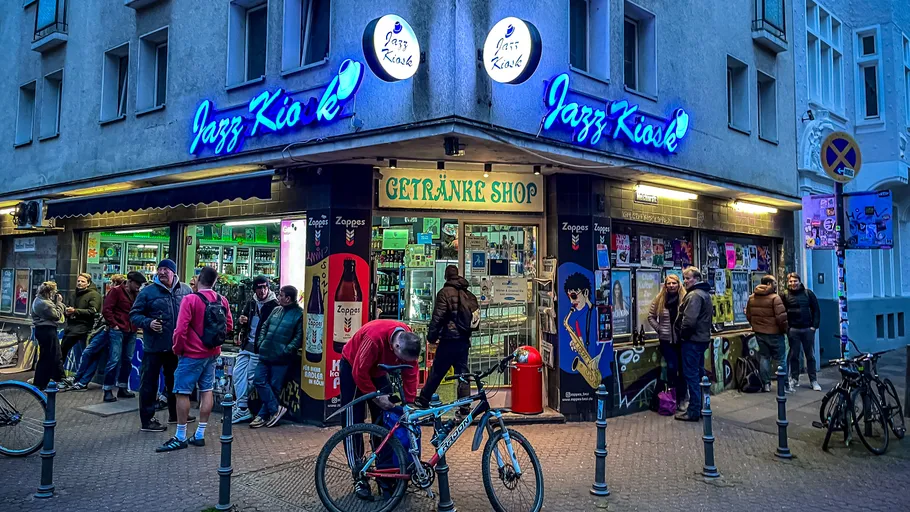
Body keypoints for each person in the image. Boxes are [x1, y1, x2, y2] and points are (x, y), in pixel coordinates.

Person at [339, 319, 421, 499]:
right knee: (354, 422)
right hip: (353, 367)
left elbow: (410, 371)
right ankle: (359, 474)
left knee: (387, 420)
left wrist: (409, 403)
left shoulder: (408, 340)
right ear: (396, 345)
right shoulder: (374, 338)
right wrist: (377, 398)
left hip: (379, 370)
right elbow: (359, 372)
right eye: (399, 358)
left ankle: (384, 471)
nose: (400, 361)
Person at [157, 266, 233, 453]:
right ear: (215, 281)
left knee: (182, 392)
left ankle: (181, 435)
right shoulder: (222, 300)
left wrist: (178, 348)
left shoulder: (190, 299)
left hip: (191, 354)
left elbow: (180, 329)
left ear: (199, 279)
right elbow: (229, 326)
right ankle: (200, 433)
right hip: (212, 353)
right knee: (206, 390)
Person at [130, 259, 193, 433]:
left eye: (166, 269)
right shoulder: (147, 292)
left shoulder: (185, 290)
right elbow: (134, 315)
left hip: (175, 346)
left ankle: (176, 414)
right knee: (149, 384)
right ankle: (147, 420)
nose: (162, 272)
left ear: (174, 272)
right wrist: (148, 323)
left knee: (175, 382)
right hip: (154, 347)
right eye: (160, 269)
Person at [71, 272, 146, 397]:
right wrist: (114, 325)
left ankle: (122, 387)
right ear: (130, 281)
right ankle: (108, 389)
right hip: (118, 330)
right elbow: (107, 309)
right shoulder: (116, 291)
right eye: (137, 284)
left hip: (131, 330)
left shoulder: (137, 294)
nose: (139, 287)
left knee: (127, 360)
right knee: (114, 359)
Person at [415, 265, 477, 416]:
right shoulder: (468, 293)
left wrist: (431, 337)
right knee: (462, 373)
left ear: (446, 276)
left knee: (438, 370)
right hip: (463, 340)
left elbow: (438, 318)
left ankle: (423, 400)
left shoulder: (444, 293)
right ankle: (464, 406)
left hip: (449, 340)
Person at [251, 285, 303, 429]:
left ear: (288, 298)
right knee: (258, 380)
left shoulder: (299, 314)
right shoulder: (276, 310)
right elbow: (264, 327)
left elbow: (299, 337)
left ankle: (262, 415)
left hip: (281, 358)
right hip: (266, 353)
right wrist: (261, 343)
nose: (278, 297)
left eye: (281, 295)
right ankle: (275, 410)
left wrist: (286, 351)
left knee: (274, 386)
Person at [232, 276, 278, 424]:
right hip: (247, 344)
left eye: (265, 287)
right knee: (237, 373)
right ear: (254, 289)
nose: (263, 290)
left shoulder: (274, 305)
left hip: (259, 348)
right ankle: (242, 407)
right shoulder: (251, 302)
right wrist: (241, 322)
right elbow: (243, 319)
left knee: (251, 378)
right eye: (259, 287)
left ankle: (241, 407)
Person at [674, 267, 713, 422]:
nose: (685, 281)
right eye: (684, 278)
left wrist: (683, 336)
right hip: (701, 339)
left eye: (688, 278)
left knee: (692, 375)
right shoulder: (704, 294)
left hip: (692, 341)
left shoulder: (695, 296)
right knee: (699, 373)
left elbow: (689, 322)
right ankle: (703, 407)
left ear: (696, 278)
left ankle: (694, 410)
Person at [648, 274, 687, 411]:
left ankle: (682, 398)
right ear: (665, 285)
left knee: (683, 370)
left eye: (674, 283)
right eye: (668, 283)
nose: (671, 286)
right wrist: (659, 329)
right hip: (666, 341)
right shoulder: (660, 299)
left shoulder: (684, 299)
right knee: (672, 368)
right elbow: (651, 316)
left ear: (679, 284)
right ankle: (673, 397)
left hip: (681, 340)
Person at [746, 275, 789, 393]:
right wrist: (783, 330)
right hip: (775, 333)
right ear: (769, 284)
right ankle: (784, 384)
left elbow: (749, 315)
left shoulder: (752, 298)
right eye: (774, 282)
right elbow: (781, 318)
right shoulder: (775, 298)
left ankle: (766, 384)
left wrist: (756, 326)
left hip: (760, 332)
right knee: (781, 359)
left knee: (764, 357)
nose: (776, 284)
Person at [781, 272, 821, 391]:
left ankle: (813, 380)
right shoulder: (785, 295)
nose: (793, 284)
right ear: (788, 283)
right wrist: (787, 328)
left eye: (795, 281)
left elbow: (816, 310)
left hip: (807, 329)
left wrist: (814, 326)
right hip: (793, 329)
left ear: (799, 281)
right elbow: (781, 312)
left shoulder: (808, 294)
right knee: (794, 355)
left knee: (810, 355)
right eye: (791, 282)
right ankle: (794, 379)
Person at [60, 273, 102, 382]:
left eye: (82, 281)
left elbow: (93, 311)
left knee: (83, 353)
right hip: (72, 326)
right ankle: (62, 376)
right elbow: (69, 307)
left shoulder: (94, 295)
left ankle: (79, 378)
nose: (79, 283)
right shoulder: (75, 294)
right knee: (67, 351)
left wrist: (76, 311)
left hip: (84, 328)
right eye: (78, 281)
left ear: (88, 283)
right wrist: (67, 312)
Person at [32, 282, 67, 391]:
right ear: (49, 292)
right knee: (48, 356)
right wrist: (60, 303)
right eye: (54, 291)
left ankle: (58, 378)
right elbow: (56, 315)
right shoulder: (44, 303)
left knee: (53, 355)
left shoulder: (40, 300)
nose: (55, 293)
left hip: (44, 330)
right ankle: (40, 382)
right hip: (46, 330)